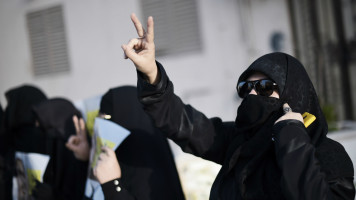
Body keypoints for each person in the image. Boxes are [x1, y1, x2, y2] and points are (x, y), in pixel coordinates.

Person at [121, 13, 355, 199]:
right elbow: (184, 125)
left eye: (264, 86)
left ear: (293, 93)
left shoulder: (329, 155)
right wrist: (151, 72)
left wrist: (292, 138)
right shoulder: (241, 142)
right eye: (245, 87)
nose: (253, 93)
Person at [67, 86, 185, 200]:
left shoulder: (156, 183)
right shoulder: (113, 169)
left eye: (105, 120)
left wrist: (112, 187)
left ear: (126, 121)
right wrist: (88, 158)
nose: (100, 128)